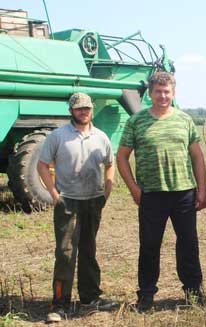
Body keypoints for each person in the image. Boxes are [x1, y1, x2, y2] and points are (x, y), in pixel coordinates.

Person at [116, 72, 206, 311]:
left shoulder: (185, 120)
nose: (163, 96)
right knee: (149, 245)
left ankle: (193, 292)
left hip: (183, 193)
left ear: (173, 93)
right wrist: (134, 189)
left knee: (188, 243)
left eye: (167, 91)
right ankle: (146, 296)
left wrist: (201, 189)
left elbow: (197, 156)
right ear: (150, 94)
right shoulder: (136, 121)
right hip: (151, 195)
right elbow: (122, 157)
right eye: (158, 91)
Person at [37, 92, 117, 323]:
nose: (84, 112)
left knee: (88, 250)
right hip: (68, 202)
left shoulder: (101, 137)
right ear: (71, 110)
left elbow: (110, 164)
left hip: (93, 201)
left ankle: (89, 300)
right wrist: (53, 193)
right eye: (79, 108)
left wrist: (107, 191)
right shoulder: (58, 136)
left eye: (87, 108)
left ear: (92, 110)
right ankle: (60, 304)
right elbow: (42, 165)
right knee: (65, 253)